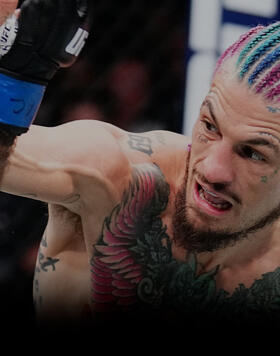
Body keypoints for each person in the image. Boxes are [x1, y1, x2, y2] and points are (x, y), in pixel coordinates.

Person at [2, 1, 280, 334]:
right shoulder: (118, 175)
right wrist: (16, 82)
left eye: (252, 153)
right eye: (209, 125)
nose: (212, 170)